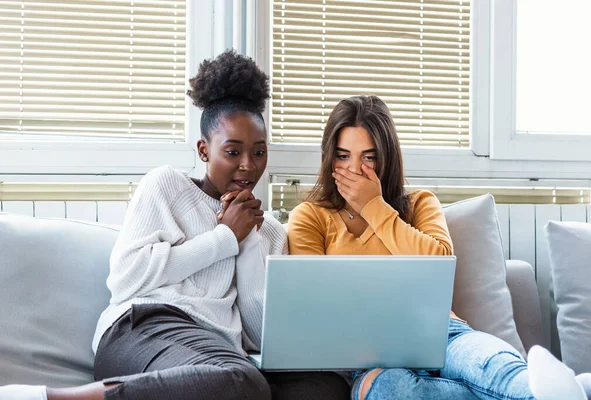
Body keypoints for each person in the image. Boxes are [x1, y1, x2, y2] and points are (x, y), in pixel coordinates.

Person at [0, 51, 349, 400]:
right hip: (143, 328)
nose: (248, 166)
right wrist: (225, 236)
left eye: (259, 152)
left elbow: (260, 334)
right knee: (242, 382)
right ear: (203, 150)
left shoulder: (269, 230)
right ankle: (56, 398)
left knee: (325, 387)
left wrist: (247, 240)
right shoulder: (166, 186)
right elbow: (127, 278)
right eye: (232, 152)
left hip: (216, 350)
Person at [287, 95, 591, 400]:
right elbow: (319, 307)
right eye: (343, 156)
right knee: (391, 391)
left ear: (387, 158)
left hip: (442, 333)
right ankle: (574, 392)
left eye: (369, 157)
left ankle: (557, 392)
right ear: (329, 158)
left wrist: (374, 207)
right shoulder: (310, 217)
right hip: (370, 358)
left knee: (494, 367)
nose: (355, 170)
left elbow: (438, 264)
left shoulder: (420, 203)